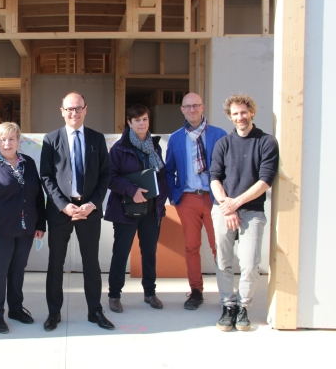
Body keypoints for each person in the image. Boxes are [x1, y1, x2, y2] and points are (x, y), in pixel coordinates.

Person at [40, 92, 114, 331]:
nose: (74, 113)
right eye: (70, 109)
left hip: (89, 210)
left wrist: (92, 204)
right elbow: (46, 177)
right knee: (55, 263)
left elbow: (105, 175)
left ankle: (95, 310)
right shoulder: (51, 139)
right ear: (62, 111)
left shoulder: (96, 138)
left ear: (85, 109)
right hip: (61, 211)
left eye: (78, 108)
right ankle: (54, 312)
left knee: (91, 263)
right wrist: (63, 205)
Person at [210, 94, 279, 332]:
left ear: (252, 112)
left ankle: (243, 307)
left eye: (244, 112)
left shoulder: (266, 142)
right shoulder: (223, 143)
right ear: (230, 116)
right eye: (235, 113)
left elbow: (265, 181)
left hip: (251, 210)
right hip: (224, 208)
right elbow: (214, 178)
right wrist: (226, 205)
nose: (240, 117)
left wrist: (235, 204)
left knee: (249, 263)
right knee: (223, 260)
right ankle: (228, 305)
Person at [0, 122, 46, 334]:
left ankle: (15, 309)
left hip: (25, 230)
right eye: (2, 139)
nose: (7, 143)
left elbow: (38, 196)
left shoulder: (28, 163)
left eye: (11, 138)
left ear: (18, 140)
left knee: (17, 271)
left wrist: (40, 224)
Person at [104, 104, 170, 313]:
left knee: (149, 252)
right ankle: (114, 295)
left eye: (145, 119)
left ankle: (150, 293)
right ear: (129, 123)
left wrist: (162, 199)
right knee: (121, 253)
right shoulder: (119, 148)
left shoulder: (155, 147)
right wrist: (131, 190)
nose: (142, 123)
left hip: (151, 209)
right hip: (126, 208)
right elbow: (110, 177)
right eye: (137, 120)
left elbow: (161, 175)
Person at [165, 93, 227, 310]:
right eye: (187, 106)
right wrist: (175, 196)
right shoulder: (175, 138)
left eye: (196, 106)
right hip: (188, 199)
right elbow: (168, 170)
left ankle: (226, 294)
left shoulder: (219, 135)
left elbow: (228, 169)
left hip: (214, 200)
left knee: (219, 246)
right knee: (191, 247)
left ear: (203, 108)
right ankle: (196, 291)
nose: (192, 110)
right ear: (182, 110)